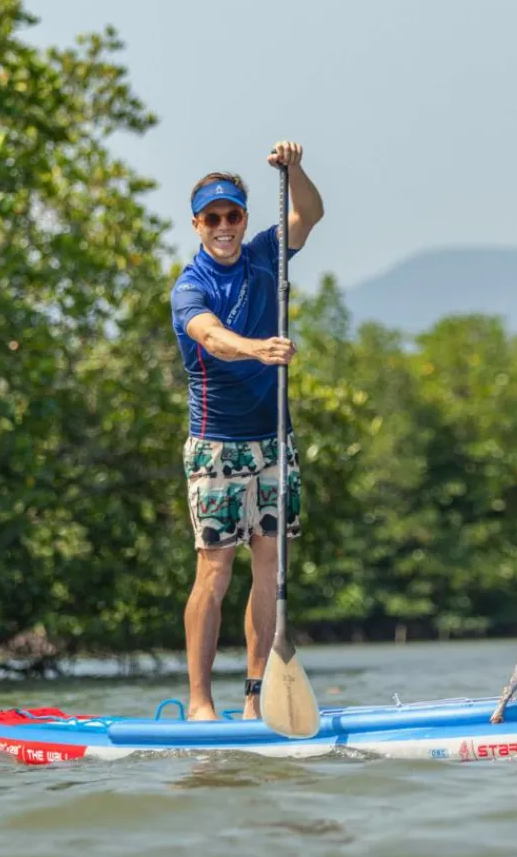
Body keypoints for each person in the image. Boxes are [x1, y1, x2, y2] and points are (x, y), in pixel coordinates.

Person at [170, 140, 325, 721]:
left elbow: (309, 214)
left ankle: (257, 699)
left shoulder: (265, 255)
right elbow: (210, 337)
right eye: (212, 218)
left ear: (243, 218)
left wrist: (295, 168)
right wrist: (260, 349)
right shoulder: (190, 285)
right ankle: (200, 703)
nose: (223, 227)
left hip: (274, 439)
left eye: (232, 215)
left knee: (270, 567)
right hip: (217, 445)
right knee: (214, 571)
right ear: (197, 225)